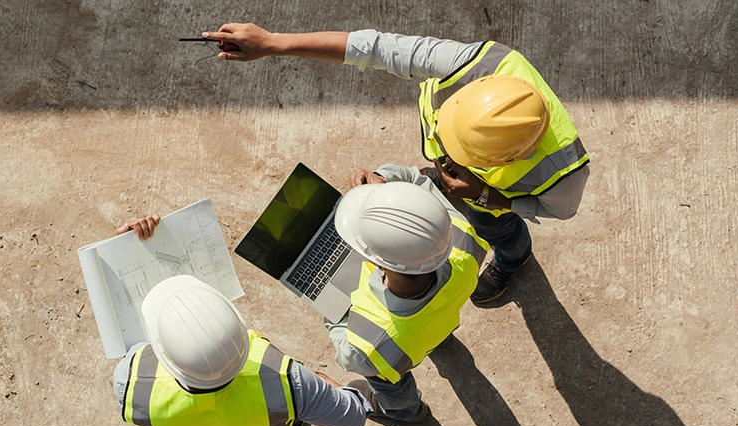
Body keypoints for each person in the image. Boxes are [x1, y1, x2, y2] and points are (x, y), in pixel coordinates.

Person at [200, 24, 590, 303]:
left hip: (490, 201)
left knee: (500, 232)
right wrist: (273, 43)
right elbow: (374, 48)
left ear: (508, 157)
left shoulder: (564, 176)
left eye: (460, 154)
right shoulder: (473, 64)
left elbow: (558, 212)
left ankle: (514, 257)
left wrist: (489, 197)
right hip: (473, 186)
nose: (444, 156)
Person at [112, 216, 373, 426]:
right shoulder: (288, 381)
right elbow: (352, 417)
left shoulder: (129, 383)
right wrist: (315, 382)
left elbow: (134, 340)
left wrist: (128, 251)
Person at [325, 165, 488, 422]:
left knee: (390, 384)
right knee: (432, 328)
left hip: (396, 353)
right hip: (435, 323)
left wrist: (330, 308)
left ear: (375, 261)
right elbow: (419, 184)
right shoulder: (464, 240)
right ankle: (440, 342)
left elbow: (348, 356)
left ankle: (406, 411)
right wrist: (386, 190)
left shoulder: (368, 346)